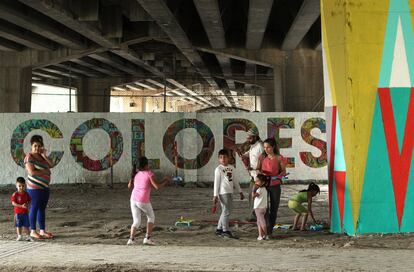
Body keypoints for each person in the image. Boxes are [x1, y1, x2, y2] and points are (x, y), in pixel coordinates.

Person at [127, 156, 170, 246]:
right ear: (145, 165)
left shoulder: (135, 174)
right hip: (142, 200)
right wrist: (165, 181)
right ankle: (147, 238)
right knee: (151, 217)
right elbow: (157, 186)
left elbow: (129, 186)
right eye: (148, 164)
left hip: (133, 199)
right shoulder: (149, 174)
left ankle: (131, 239)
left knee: (136, 221)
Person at [24, 135, 54, 239]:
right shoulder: (29, 157)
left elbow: (51, 165)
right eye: (35, 146)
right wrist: (44, 171)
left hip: (45, 188)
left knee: (42, 209)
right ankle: (32, 231)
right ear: (31, 146)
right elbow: (32, 172)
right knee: (34, 208)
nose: (37, 148)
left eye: (39, 146)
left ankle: (42, 231)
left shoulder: (41, 156)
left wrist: (45, 155)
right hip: (34, 189)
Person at [257, 138, 286, 236]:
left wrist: (277, 177)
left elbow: (283, 172)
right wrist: (260, 174)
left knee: (274, 208)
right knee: (264, 207)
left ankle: (270, 230)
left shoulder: (279, 158)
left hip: (275, 185)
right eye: (264, 147)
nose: (266, 149)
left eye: (268, 147)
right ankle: (265, 227)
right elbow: (258, 170)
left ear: (273, 147)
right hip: (264, 186)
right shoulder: (262, 157)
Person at [213, 149, 244, 238]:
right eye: (221, 157)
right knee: (227, 211)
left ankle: (219, 229)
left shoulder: (232, 167)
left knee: (225, 211)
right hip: (223, 193)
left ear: (229, 158)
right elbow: (216, 183)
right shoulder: (218, 169)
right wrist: (215, 195)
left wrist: (240, 191)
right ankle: (225, 230)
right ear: (219, 159)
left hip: (230, 192)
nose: (223, 159)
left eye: (225, 157)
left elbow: (235, 181)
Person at [11, 177, 32, 242]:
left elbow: (30, 200)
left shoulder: (26, 194)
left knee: (26, 225)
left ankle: (28, 237)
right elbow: (13, 203)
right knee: (18, 225)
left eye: (23, 186)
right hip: (18, 213)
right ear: (16, 185)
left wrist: (28, 204)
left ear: (25, 185)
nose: (21, 187)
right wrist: (21, 206)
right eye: (19, 186)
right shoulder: (15, 194)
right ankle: (19, 236)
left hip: (25, 213)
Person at [252, 174, 270, 241]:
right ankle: (260, 235)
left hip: (258, 208)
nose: (256, 182)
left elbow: (253, 196)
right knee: (259, 222)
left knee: (262, 222)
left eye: (257, 181)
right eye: (255, 181)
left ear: (263, 182)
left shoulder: (259, 190)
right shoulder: (265, 189)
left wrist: (253, 190)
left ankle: (266, 235)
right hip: (264, 208)